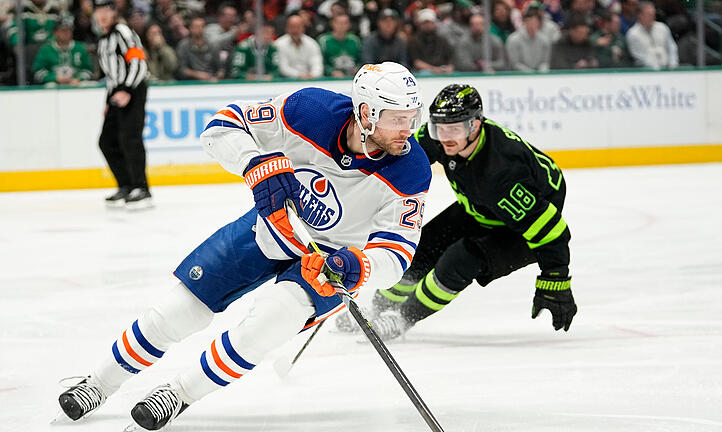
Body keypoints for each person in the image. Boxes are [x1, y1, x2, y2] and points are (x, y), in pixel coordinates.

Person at [56, 62, 431, 430]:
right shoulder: (309, 110)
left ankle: (178, 393)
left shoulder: (411, 167)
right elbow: (221, 127)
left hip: (328, 266)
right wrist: (255, 163)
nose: (408, 129)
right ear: (366, 113)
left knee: (267, 324)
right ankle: (98, 383)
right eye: (397, 118)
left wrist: (360, 266)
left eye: (412, 116)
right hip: (269, 226)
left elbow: (396, 254)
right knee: (179, 310)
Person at [337, 84, 577, 341]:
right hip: (481, 207)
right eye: (439, 128)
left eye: (455, 129)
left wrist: (555, 279)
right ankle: (380, 308)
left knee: (461, 260)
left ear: (475, 126)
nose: (446, 137)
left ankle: (403, 318)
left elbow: (553, 232)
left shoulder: (502, 172)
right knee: (419, 249)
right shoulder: (440, 137)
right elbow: (400, 160)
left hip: (518, 229)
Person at [93, 0, 152, 209]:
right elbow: (110, 75)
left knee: (130, 138)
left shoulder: (122, 32)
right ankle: (126, 185)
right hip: (116, 93)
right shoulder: (103, 39)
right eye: (98, 11)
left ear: (113, 12)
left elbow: (138, 61)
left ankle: (141, 188)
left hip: (132, 90)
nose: (102, 15)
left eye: (106, 11)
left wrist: (127, 90)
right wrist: (109, 100)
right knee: (106, 141)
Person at [32, 15, 94, 85]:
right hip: (53, 87)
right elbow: (38, 72)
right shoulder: (46, 50)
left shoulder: (80, 48)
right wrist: (54, 78)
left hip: (76, 85)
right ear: (55, 33)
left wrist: (78, 79)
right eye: (63, 30)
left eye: (69, 30)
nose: (67, 33)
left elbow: (88, 70)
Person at [625, 1, 678, 70]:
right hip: (646, 72)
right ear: (640, 15)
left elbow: (672, 48)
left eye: (653, 14)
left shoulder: (663, 28)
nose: (652, 17)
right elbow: (640, 57)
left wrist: (673, 65)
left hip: (667, 69)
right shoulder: (632, 34)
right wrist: (656, 69)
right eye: (649, 14)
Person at [274, 13, 323, 79]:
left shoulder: (312, 43)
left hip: (310, 79)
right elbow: (283, 68)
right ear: (287, 28)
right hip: (287, 81)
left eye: (298, 27)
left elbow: (317, 64)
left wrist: (313, 75)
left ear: (303, 28)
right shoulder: (279, 44)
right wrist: (299, 75)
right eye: (292, 27)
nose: (295, 30)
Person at [176, 15, 224, 81]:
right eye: (196, 27)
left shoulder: (213, 45)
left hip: (210, 80)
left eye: (201, 26)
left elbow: (220, 69)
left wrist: (217, 78)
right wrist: (197, 74)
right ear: (190, 28)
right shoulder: (184, 45)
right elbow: (181, 69)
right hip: (191, 82)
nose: (199, 29)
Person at [408, 8, 454, 75]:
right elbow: (416, 62)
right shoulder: (414, 41)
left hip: (442, 70)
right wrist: (433, 69)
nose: (428, 25)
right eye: (425, 22)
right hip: (422, 72)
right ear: (420, 24)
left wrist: (450, 67)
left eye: (430, 22)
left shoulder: (442, 40)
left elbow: (450, 58)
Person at [505, 6, 551, 72]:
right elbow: (514, 64)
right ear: (525, 22)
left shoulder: (544, 40)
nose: (532, 25)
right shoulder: (513, 40)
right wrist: (530, 73)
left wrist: (541, 72)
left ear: (539, 23)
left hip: (539, 76)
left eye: (535, 22)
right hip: (519, 76)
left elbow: (545, 62)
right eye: (529, 22)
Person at [318, 13, 361, 77]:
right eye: (339, 23)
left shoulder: (355, 40)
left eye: (345, 23)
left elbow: (361, 60)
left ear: (349, 25)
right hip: (331, 79)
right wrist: (331, 71)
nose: (342, 26)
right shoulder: (324, 40)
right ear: (333, 24)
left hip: (352, 77)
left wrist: (358, 70)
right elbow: (320, 62)